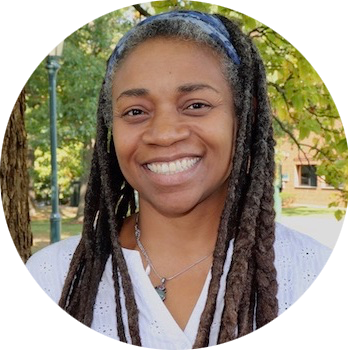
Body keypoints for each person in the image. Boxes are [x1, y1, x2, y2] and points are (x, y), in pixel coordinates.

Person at [25, 10, 332, 348]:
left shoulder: (309, 271)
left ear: (246, 115)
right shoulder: (53, 278)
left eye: (196, 104)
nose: (164, 134)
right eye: (136, 112)